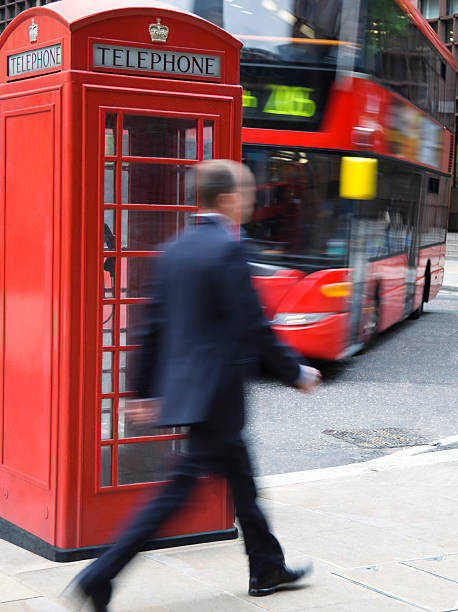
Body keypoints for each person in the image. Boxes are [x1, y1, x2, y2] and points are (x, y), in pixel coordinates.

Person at [66, 160, 321, 611]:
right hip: (217, 395)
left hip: (190, 389)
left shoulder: (175, 249)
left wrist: (139, 390)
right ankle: (100, 574)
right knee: (177, 490)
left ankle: (266, 566)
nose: (251, 200)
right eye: (245, 192)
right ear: (226, 199)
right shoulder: (227, 249)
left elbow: (152, 325)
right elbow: (253, 325)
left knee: (242, 481)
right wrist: (295, 372)